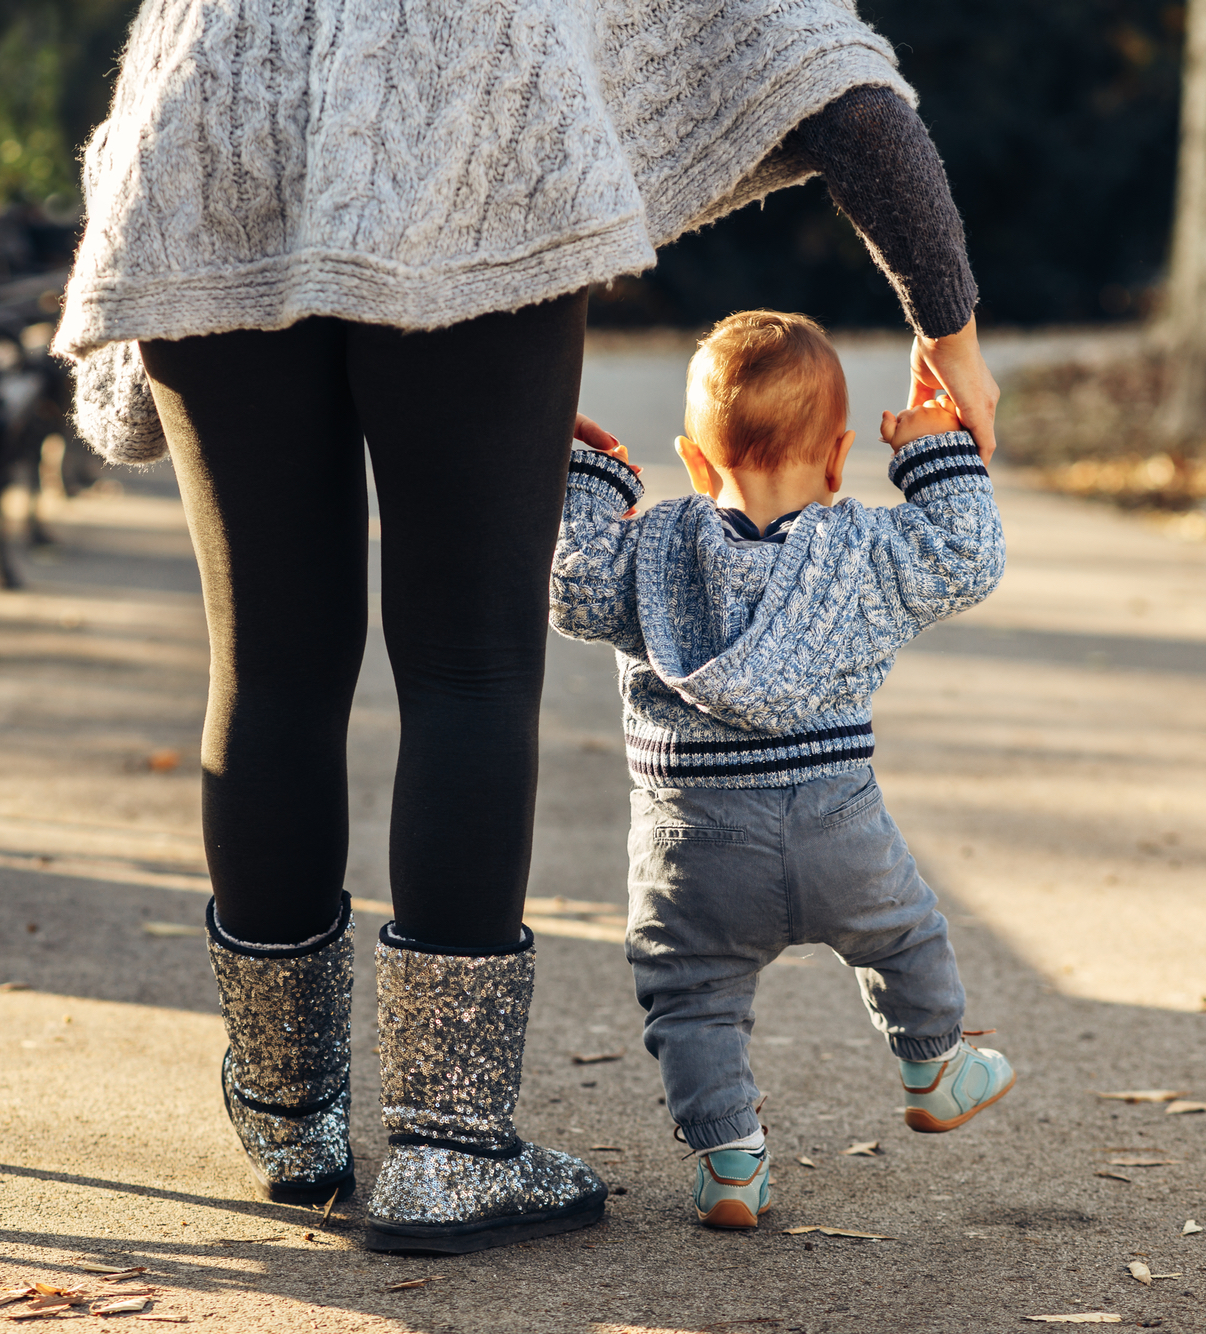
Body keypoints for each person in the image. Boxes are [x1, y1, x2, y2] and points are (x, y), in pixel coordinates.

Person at [51, 0, 1001, 1255]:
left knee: (269, 664)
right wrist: (951, 336)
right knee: (467, 665)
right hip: (475, 156)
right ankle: (447, 1152)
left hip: (205, 146)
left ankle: (288, 1115)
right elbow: (828, 76)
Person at [550, 310, 1016, 1230]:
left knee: (690, 997)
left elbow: (572, 586)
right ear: (840, 461)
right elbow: (969, 555)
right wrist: (934, 453)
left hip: (693, 845)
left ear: (693, 462)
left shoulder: (651, 550)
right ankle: (934, 1063)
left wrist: (585, 477)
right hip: (839, 828)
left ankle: (729, 1159)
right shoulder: (867, 552)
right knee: (906, 935)